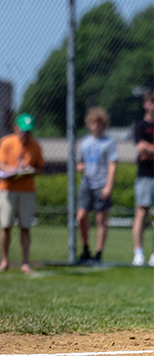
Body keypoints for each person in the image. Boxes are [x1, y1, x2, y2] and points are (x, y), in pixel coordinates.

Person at [0, 113, 44, 274]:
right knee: (5, 226)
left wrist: (30, 170)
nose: (26, 135)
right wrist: (15, 170)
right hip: (7, 189)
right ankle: (4, 261)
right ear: (16, 128)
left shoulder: (36, 146)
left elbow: (41, 168)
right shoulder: (6, 142)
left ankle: (25, 263)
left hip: (27, 190)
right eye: (23, 131)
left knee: (25, 227)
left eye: (29, 132)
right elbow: (1, 165)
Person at [76, 107, 117, 263]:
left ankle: (98, 253)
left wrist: (108, 186)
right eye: (93, 123)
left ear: (104, 124)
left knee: (101, 220)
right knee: (81, 216)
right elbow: (79, 162)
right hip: (86, 184)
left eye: (99, 123)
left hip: (101, 184)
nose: (96, 126)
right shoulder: (85, 142)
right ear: (89, 124)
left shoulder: (109, 143)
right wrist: (80, 167)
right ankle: (85, 248)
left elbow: (112, 165)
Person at [132, 90, 154, 267]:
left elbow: (147, 150)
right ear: (145, 104)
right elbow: (141, 149)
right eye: (151, 101)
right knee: (141, 213)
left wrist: (149, 150)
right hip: (144, 176)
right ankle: (138, 253)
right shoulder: (140, 126)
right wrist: (146, 149)